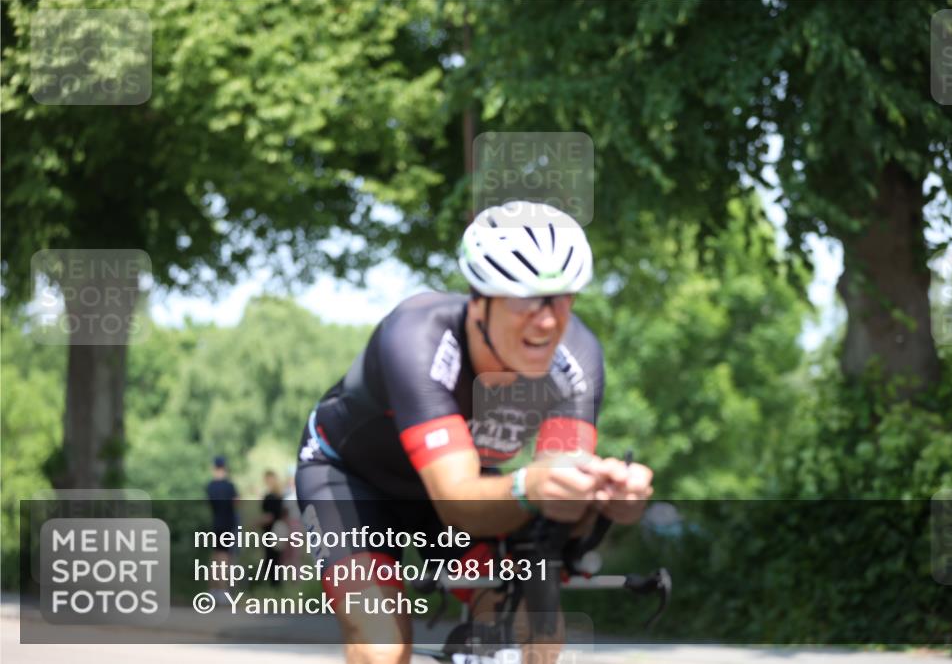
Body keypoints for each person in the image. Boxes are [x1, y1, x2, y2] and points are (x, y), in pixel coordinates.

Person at [295, 201, 654, 664]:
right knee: (381, 642)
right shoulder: (417, 337)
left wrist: (607, 498)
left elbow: (555, 502)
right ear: (478, 301)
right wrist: (532, 485)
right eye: (524, 299)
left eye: (564, 297)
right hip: (349, 480)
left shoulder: (577, 358)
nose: (547, 321)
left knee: (536, 631)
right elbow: (458, 502)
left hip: (466, 481)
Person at [206, 455, 239, 600]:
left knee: (215, 557)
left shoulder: (210, 486)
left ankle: (213, 589)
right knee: (225, 557)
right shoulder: (230, 486)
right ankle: (223, 591)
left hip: (216, 523)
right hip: (228, 523)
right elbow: (237, 503)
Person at [259, 469, 285, 587]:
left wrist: (255, 523)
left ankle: (273, 585)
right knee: (276, 559)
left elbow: (269, 516)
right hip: (277, 530)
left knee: (271, 559)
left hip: (271, 531)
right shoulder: (279, 495)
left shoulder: (271, 497)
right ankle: (276, 585)